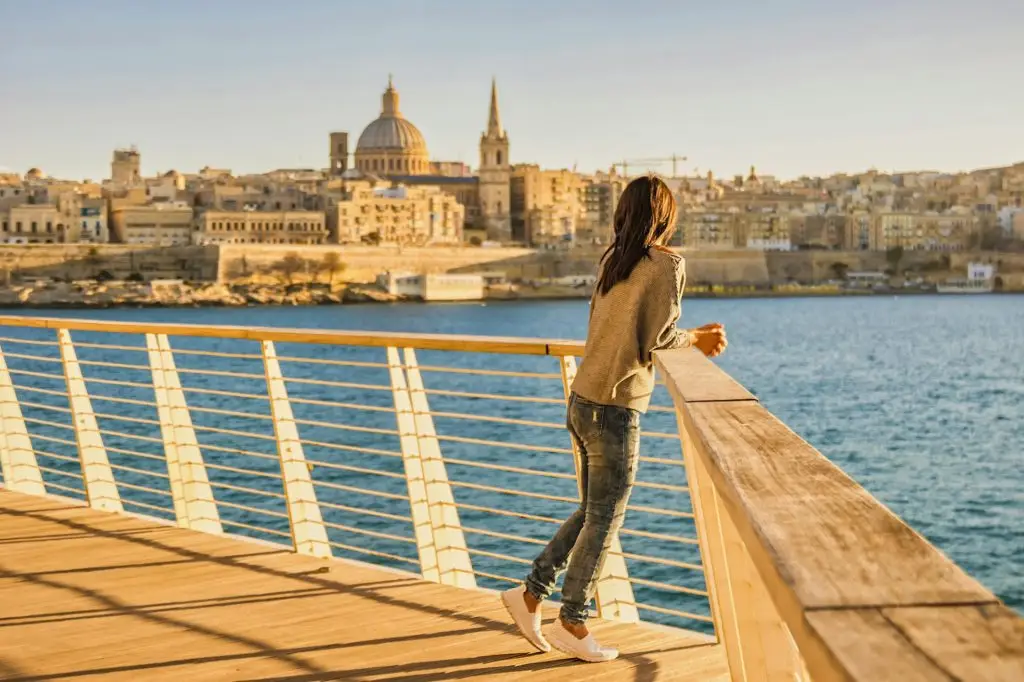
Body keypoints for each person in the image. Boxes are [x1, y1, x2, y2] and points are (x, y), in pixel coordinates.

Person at [500, 174, 727, 663]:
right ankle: (573, 622)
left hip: (582, 400)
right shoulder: (668, 264)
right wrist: (699, 340)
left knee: (592, 511)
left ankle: (530, 594)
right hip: (616, 407)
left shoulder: (613, 261)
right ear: (665, 216)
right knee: (605, 515)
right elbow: (658, 339)